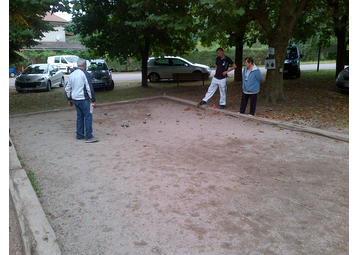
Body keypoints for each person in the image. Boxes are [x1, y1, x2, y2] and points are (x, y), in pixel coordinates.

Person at [65, 58, 99, 143]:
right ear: (84, 65)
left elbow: (67, 88)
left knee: (80, 117)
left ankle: (79, 135)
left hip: (75, 99)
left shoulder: (72, 74)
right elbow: (89, 88)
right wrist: (93, 99)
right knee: (88, 116)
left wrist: (69, 99)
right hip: (83, 99)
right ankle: (89, 136)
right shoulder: (85, 74)